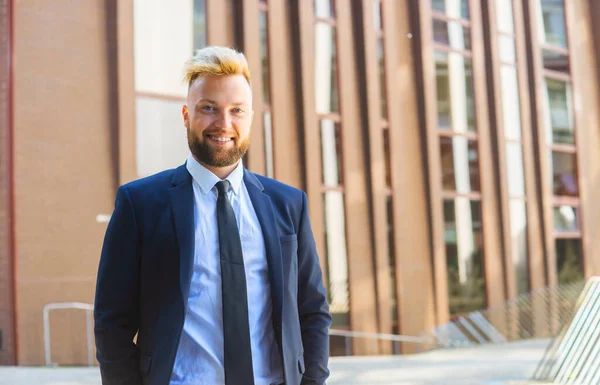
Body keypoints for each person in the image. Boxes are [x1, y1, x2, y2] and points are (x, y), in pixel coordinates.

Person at [93, 46, 332, 385]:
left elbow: (312, 310)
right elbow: (111, 321)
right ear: (186, 114)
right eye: (209, 108)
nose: (224, 123)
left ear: (250, 117)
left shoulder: (288, 204)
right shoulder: (140, 204)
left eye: (237, 110)